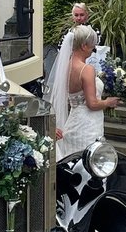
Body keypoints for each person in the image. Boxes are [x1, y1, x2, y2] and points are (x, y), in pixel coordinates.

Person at [50, 25, 122, 158]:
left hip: (73, 122)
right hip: (88, 125)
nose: (93, 50)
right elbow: (92, 104)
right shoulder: (86, 69)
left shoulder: (66, 66)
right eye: (92, 46)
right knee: (90, 160)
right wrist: (108, 102)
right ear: (83, 46)